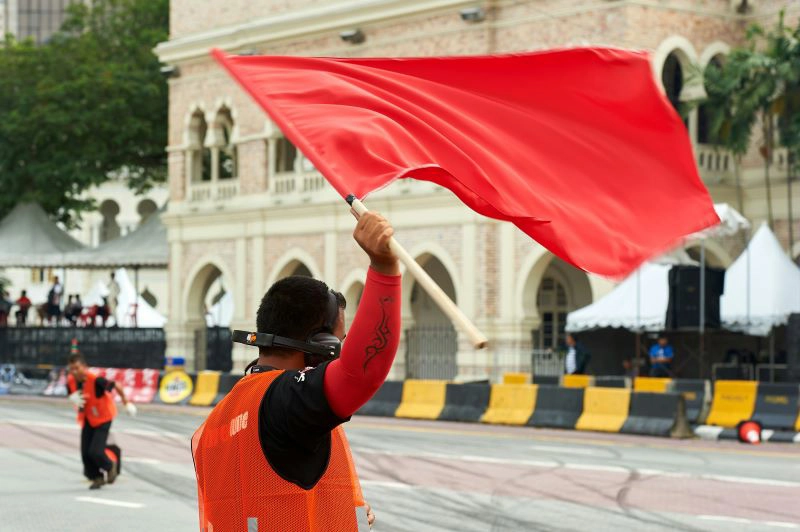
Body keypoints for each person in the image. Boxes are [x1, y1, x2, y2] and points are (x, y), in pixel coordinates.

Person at [191, 210, 401, 532]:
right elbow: (360, 373)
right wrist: (384, 269)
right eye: (339, 342)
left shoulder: (218, 421)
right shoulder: (284, 402)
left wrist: (339, 507)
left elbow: (267, 494)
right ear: (322, 345)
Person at [66, 353, 137, 489]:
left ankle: (110, 466)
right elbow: (70, 392)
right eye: (71, 369)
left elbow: (117, 385)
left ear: (84, 367)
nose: (74, 372)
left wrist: (126, 403)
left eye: (77, 368)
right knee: (85, 454)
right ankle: (97, 477)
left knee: (95, 451)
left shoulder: (96, 380)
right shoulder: (70, 381)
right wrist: (71, 398)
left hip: (104, 417)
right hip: (88, 418)